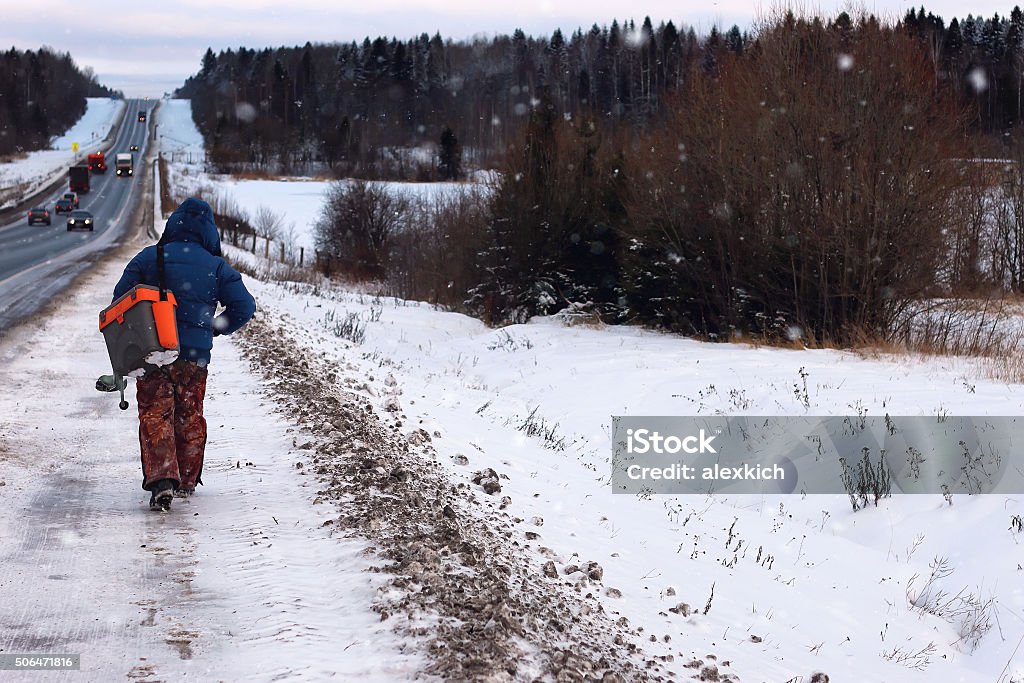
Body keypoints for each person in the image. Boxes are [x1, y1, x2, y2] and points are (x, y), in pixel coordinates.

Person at [112, 197, 256, 511]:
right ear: (209, 231)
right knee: (189, 413)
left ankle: (163, 479)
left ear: (173, 225)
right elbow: (245, 307)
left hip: (153, 351)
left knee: (156, 414)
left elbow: (119, 300)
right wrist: (215, 327)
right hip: (194, 355)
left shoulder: (149, 258)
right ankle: (187, 480)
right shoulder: (217, 267)